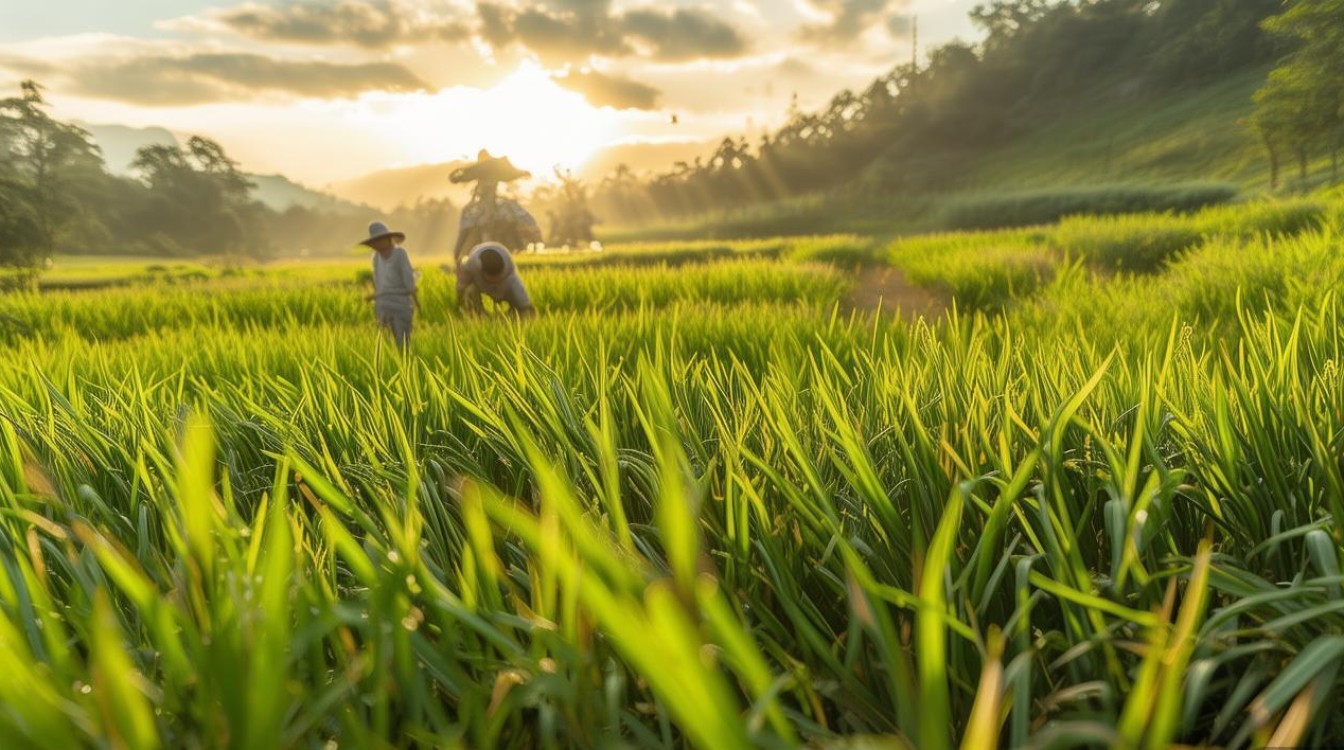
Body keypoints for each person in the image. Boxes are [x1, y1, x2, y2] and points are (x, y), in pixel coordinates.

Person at [451, 150, 542, 262]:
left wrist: (522, 173)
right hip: (485, 202)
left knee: (506, 216)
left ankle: (461, 252)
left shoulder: (487, 167)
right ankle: (460, 253)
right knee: (473, 222)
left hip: (489, 201)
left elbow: (461, 176)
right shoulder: (490, 167)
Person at [361, 221, 418, 348]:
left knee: (402, 344)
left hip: (399, 305)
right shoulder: (376, 257)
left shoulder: (399, 254)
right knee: (386, 344)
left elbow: (409, 284)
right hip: (382, 306)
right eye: (374, 242)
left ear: (388, 239)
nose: (376, 245)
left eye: (379, 240)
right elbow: (378, 284)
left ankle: (404, 367)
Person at [456, 241, 534, 317]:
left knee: (521, 307)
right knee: (470, 290)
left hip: (506, 289)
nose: (495, 283)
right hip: (478, 285)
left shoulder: (511, 277)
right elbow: (461, 285)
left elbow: (527, 306)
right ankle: (477, 317)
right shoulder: (472, 264)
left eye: (498, 279)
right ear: (482, 271)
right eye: (492, 280)